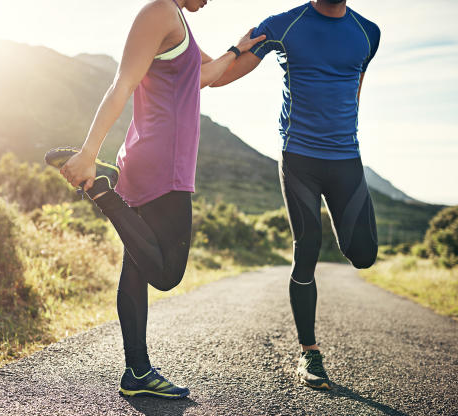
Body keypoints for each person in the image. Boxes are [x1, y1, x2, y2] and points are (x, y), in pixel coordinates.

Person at [44, 0, 265, 399]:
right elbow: (122, 84)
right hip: (163, 163)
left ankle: (137, 372)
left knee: (137, 268)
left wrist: (251, 47)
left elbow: (211, 76)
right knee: (166, 274)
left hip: (155, 158)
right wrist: (89, 153)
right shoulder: (159, 11)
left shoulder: (178, 24)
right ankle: (101, 190)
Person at [212, 0, 380, 390]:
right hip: (299, 156)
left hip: (346, 158)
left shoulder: (368, 33)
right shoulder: (283, 25)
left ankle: (311, 345)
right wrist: (229, 51)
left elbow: (354, 87)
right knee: (308, 246)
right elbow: (221, 77)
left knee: (364, 255)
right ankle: (310, 352)